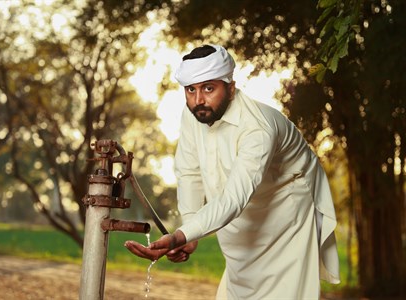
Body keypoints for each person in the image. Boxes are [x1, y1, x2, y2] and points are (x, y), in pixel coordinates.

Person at [125, 44, 340, 299]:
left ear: (230, 86)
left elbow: (233, 199)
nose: (198, 100)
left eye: (208, 88)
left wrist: (178, 236)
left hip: (287, 214)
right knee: (240, 288)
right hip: (240, 219)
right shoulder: (193, 114)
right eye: (190, 90)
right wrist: (189, 232)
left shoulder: (258, 128)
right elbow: (189, 171)